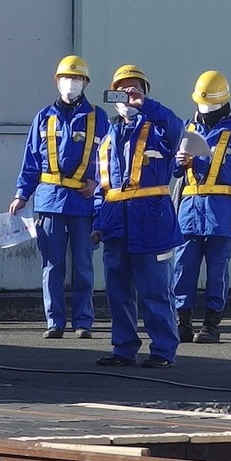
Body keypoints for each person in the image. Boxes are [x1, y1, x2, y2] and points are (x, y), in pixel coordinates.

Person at [91, 65, 184, 368]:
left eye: (134, 90)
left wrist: (147, 106)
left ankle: (163, 351)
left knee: (155, 292)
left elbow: (176, 128)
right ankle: (123, 349)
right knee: (118, 294)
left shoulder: (158, 129)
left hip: (151, 223)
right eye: (122, 91)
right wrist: (97, 223)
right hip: (116, 224)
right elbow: (100, 184)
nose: (127, 97)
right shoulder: (107, 136)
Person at [11, 56, 105, 339]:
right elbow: (31, 160)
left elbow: (109, 159)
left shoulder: (97, 117)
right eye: (66, 78)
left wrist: (97, 183)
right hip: (50, 200)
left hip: (83, 202)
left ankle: (83, 322)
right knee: (52, 265)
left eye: (76, 78)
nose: (71, 83)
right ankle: (55, 321)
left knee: (83, 266)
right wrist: (21, 194)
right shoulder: (44, 117)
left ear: (85, 83)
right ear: (57, 81)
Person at [173, 70, 231, 344]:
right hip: (189, 210)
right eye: (203, 104)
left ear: (224, 102)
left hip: (222, 213)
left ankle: (211, 324)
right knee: (182, 268)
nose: (206, 110)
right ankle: (182, 322)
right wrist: (179, 162)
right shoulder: (187, 128)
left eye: (211, 104)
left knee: (217, 270)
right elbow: (175, 173)